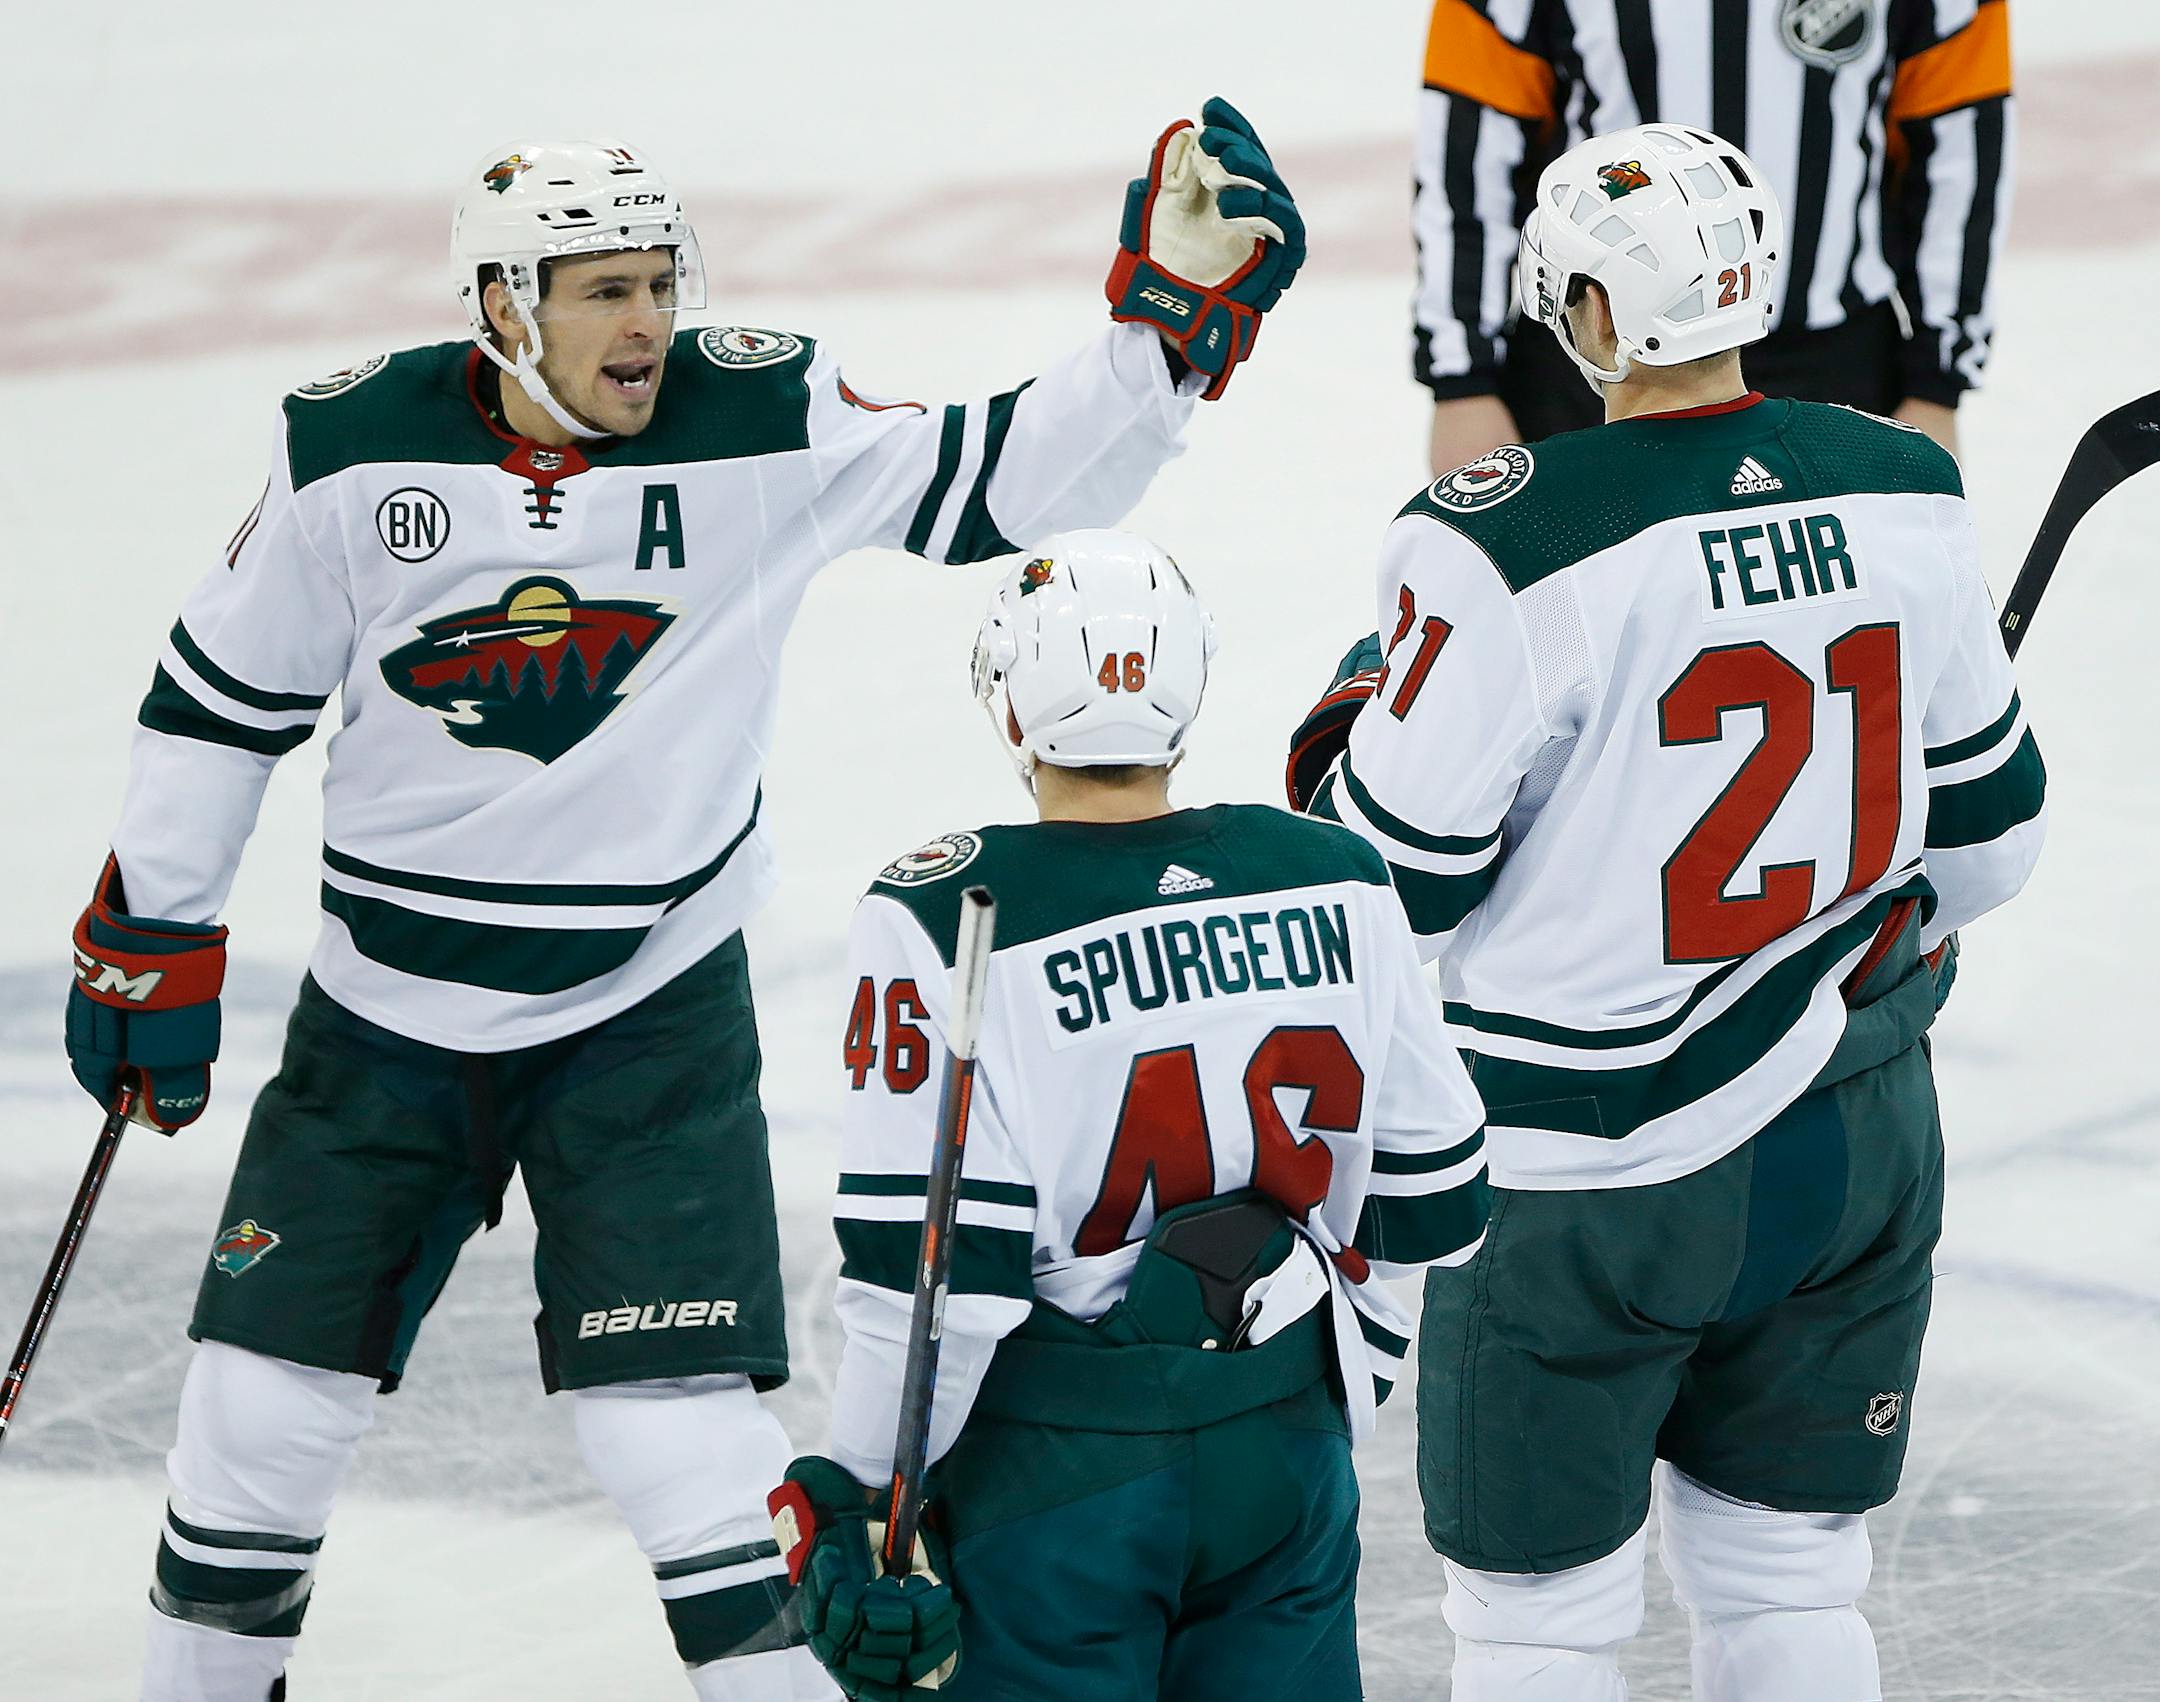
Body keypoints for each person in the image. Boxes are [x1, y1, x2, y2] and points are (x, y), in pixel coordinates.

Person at [62, 106, 1306, 1702]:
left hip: (647, 1021)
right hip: (382, 1024)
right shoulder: (352, 449)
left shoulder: (758, 411)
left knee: (683, 1441)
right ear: (503, 306)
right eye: (603, 291)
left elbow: (993, 477)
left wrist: (1162, 342)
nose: (648, 321)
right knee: (255, 1415)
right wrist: (155, 932)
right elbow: (220, 703)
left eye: (659, 281)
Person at [1291, 125, 2044, 1699]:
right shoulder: (1905, 483)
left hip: (1584, 1178)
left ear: (1591, 309)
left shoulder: (1502, 530)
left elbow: (1390, 887)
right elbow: (1992, 845)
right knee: (1792, 1582)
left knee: (1540, 1622)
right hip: (1854, 1143)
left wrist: (1348, 739)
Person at [766, 532, 1492, 1702]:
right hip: (1287, 1448)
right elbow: (1438, 1195)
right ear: (1188, 682)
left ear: (1010, 700)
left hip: (1059, 1481)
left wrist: (859, 1497)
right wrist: (1332, 1381)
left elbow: (932, 1289)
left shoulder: (943, 909)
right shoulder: (1335, 871)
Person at [1413, 0, 2014, 470]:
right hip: (1598, 358)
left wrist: (1937, 383)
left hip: (1827, 366)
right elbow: (1469, 153)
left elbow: (1961, 152)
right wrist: (1463, 379)